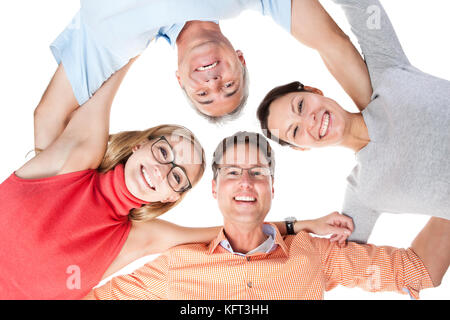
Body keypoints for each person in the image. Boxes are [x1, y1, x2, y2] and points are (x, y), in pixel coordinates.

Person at [84, 132, 449, 300]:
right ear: (214, 190)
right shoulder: (174, 266)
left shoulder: (314, 255)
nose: (245, 181)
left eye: (257, 172)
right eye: (231, 172)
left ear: (272, 189)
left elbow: (421, 270)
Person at [256, 0, 450, 243]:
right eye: (295, 131)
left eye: (301, 106)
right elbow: (344, 263)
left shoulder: (388, 71)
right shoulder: (364, 192)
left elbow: (361, 4)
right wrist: (298, 226)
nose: (309, 120)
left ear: (315, 91)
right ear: (301, 148)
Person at [48, 0, 372, 123]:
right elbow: (333, 44)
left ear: (179, 79)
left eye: (203, 94)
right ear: (239, 57)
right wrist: (374, 121)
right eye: (229, 85)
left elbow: (49, 117)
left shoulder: (121, 37)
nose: (213, 83)